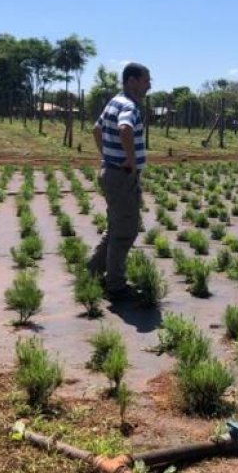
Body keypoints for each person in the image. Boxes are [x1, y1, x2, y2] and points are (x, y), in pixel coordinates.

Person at [86, 62, 151, 300]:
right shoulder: (129, 106)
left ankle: (92, 272)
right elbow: (125, 128)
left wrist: (107, 155)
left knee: (115, 228)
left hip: (110, 172)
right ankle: (115, 285)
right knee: (125, 232)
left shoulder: (113, 102)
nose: (149, 86)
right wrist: (130, 161)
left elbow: (96, 129)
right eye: (146, 80)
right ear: (131, 81)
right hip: (122, 177)